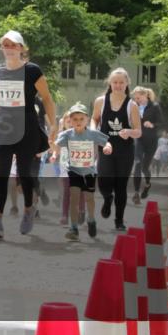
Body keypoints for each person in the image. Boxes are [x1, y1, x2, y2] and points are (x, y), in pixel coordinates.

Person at [0, 30, 57, 239]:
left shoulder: (32, 71)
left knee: (23, 172)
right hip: (3, 126)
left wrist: (53, 124)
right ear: (1, 48)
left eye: (13, 45)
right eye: (5, 45)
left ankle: (29, 208)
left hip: (26, 126)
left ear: (21, 48)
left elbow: (47, 98)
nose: (9, 48)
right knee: (1, 173)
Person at [52, 103, 112, 240]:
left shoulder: (92, 133)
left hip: (89, 171)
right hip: (74, 170)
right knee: (74, 198)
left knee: (89, 198)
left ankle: (91, 219)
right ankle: (73, 228)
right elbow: (56, 145)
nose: (78, 122)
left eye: (81, 119)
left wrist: (108, 147)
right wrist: (53, 149)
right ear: (70, 121)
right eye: (75, 119)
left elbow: (107, 141)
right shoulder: (66, 134)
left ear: (87, 119)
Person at [93, 68, 142, 232]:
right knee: (103, 181)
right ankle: (107, 198)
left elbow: (138, 131)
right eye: (115, 82)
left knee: (121, 185)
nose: (118, 85)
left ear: (127, 83)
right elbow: (94, 120)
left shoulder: (132, 105)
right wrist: (94, 133)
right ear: (110, 83)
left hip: (124, 151)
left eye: (121, 82)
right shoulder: (101, 101)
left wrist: (128, 132)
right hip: (105, 147)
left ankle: (119, 220)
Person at [131, 86, 163, 204]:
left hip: (151, 141)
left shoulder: (154, 107)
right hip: (139, 139)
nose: (136, 100)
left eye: (138, 98)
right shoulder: (134, 107)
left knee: (145, 167)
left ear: (145, 96)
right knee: (138, 164)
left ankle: (148, 184)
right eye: (135, 98)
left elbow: (161, 122)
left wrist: (152, 124)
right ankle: (136, 193)